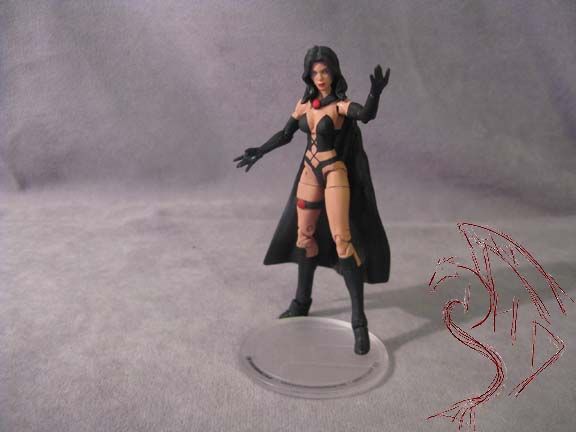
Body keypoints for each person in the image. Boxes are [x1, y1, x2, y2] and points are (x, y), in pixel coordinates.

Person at [234, 46, 391, 355]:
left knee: (343, 241)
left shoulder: (340, 105)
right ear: (309, 75)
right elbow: (286, 134)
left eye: (325, 71)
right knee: (304, 238)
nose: (320, 77)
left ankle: (359, 323)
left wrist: (375, 93)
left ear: (334, 73)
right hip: (309, 171)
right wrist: (260, 150)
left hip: (333, 171)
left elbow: (366, 115)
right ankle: (302, 301)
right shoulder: (305, 104)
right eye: (315, 72)